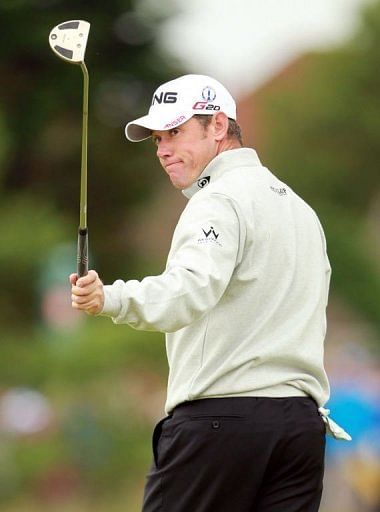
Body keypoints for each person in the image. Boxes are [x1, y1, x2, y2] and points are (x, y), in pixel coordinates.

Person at [70, 74, 350, 512]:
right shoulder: (299, 207)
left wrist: (110, 297)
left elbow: (189, 291)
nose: (162, 150)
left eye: (176, 133)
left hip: (222, 425)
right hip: (299, 429)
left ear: (218, 126)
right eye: (158, 138)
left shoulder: (218, 199)